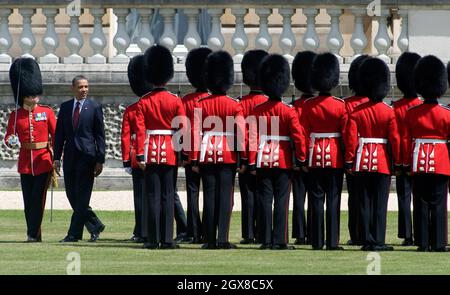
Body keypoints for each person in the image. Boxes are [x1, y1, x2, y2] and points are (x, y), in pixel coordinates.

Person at [190, 51, 246, 249]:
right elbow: (241, 133)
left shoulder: (201, 104)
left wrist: (194, 159)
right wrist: (243, 158)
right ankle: (223, 238)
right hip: (228, 155)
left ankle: (210, 240)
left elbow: (195, 133)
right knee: (225, 198)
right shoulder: (234, 105)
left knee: (209, 197)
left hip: (206, 154)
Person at [344, 57, 401, 251]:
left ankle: (367, 239)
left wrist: (350, 161)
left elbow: (351, 140)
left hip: (362, 161)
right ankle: (378, 240)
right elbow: (394, 139)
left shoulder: (357, 112)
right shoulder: (388, 111)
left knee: (364, 202)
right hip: (382, 161)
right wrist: (397, 162)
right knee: (380, 204)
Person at [248, 54, 303, 250]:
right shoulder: (288, 111)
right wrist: (302, 158)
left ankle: (265, 239)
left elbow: (252, 138)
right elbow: (298, 137)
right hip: (283, 159)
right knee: (281, 200)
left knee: (265, 199)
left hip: (263, 159)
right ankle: (280, 239)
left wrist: (251, 161)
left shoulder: (257, 110)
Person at [135, 45, 187, 249]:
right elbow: (182, 128)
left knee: (152, 196)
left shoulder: (144, 101)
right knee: (168, 195)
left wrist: (140, 155)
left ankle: (152, 238)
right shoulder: (175, 100)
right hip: (170, 152)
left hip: (150, 150)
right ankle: (167, 239)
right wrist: (183, 153)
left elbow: (140, 130)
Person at [4, 58, 56, 242]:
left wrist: (56, 157)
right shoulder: (15, 115)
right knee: (28, 202)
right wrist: (12, 141)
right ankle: (33, 232)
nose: (34, 96)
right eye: (30, 94)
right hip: (26, 163)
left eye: (35, 94)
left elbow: (56, 135)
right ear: (23, 95)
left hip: (43, 161)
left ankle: (32, 234)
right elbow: (8, 137)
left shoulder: (47, 112)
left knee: (38, 200)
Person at [299, 53, 345, 250]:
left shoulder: (308, 106)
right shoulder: (340, 105)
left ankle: (317, 241)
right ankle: (332, 242)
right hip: (335, 156)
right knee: (333, 199)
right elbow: (348, 135)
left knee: (316, 198)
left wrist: (302, 158)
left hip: (315, 155)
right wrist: (349, 158)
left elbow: (302, 133)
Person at [404, 55, 449, 252]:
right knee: (439, 203)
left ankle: (422, 242)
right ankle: (438, 242)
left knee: (420, 202)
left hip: (418, 159)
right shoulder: (446, 114)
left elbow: (406, 140)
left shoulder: (412, 113)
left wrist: (405, 163)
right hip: (440, 160)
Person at [54, 75, 106, 243]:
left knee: (83, 197)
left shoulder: (94, 107)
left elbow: (100, 136)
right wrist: (56, 158)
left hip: (88, 158)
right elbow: (59, 135)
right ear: (73, 88)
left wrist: (100, 159)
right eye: (81, 87)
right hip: (69, 158)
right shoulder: (65, 107)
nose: (84, 90)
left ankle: (73, 234)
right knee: (72, 195)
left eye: (86, 87)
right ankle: (95, 224)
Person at [181, 47, 212, 244]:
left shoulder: (185, 101)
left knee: (192, 194)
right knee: (210, 193)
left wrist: (186, 155)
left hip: (190, 151)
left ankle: (193, 231)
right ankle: (208, 231)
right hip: (211, 152)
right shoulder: (213, 99)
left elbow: (183, 130)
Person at [121, 54, 153, 243]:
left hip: (137, 155)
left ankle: (141, 230)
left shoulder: (133, 109)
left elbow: (126, 137)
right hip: (159, 153)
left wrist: (126, 159)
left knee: (140, 197)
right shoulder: (159, 103)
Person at [392, 52, 422, 247]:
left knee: (404, 197)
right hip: (419, 156)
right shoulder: (420, 106)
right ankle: (420, 232)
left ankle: (407, 234)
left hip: (401, 156)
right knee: (420, 198)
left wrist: (397, 160)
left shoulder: (395, 107)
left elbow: (395, 136)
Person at [238, 49, 268, 245]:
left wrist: (242, 158)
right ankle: (264, 231)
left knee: (247, 195)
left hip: (246, 155)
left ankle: (248, 233)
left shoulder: (240, 104)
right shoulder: (268, 102)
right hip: (266, 155)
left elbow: (240, 134)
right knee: (264, 194)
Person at [343, 54, 370, 246]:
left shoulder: (347, 104)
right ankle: (370, 233)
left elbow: (347, 135)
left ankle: (357, 234)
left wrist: (348, 159)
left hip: (354, 158)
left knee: (355, 198)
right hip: (376, 157)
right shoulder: (377, 104)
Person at [291, 51, 316, 245]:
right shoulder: (314, 106)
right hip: (317, 155)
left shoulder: (295, 106)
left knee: (299, 197)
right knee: (315, 197)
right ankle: (315, 232)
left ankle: (300, 233)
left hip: (298, 156)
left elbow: (296, 135)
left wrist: (299, 158)